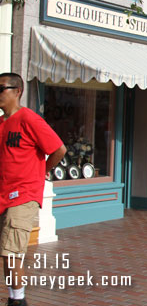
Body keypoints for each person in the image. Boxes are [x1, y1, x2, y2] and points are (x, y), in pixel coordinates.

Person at [0, 73, 67, 306]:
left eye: (1, 89)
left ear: (17, 91)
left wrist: (41, 173)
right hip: (3, 197)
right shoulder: (1, 124)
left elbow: (59, 149)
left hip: (23, 196)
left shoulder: (28, 118)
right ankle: (13, 297)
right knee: (6, 255)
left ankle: (18, 301)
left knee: (11, 254)